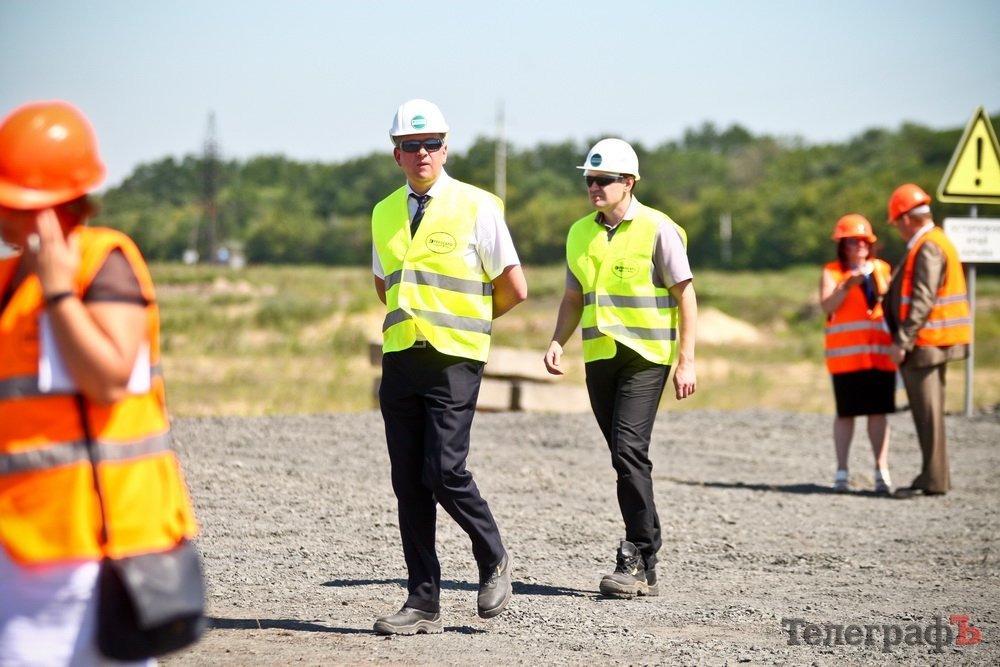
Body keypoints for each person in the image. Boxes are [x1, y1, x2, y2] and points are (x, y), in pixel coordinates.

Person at [0, 101, 199, 664]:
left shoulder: (104, 262)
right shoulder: (10, 278)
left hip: (97, 553)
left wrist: (61, 294)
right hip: (22, 542)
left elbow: (110, 377)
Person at [370, 99, 527, 634]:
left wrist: (472, 323)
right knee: (408, 484)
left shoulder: (478, 206)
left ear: (446, 147)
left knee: (443, 470)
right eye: (411, 146)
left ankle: (493, 557)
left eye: (432, 144)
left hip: (455, 359)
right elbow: (384, 284)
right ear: (397, 154)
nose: (422, 154)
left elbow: (514, 287)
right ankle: (422, 602)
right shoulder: (384, 211)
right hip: (402, 359)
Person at [543, 138, 697, 598]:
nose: (594, 187)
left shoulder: (658, 228)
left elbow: (685, 295)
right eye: (589, 179)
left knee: (629, 451)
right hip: (600, 357)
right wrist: (556, 340)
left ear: (628, 183)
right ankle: (646, 549)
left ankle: (638, 557)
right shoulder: (578, 233)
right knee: (623, 457)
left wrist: (686, 361)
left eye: (603, 180)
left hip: (646, 357)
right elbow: (574, 297)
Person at [883, 184, 971, 499]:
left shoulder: (929, 246)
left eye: (897, 224)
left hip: (926, 342)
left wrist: (903, 340)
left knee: (928, 413)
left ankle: (933, 479)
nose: (898, 231)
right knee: (928, 412)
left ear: (908, 218)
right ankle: (933, 476)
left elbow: (922, 298)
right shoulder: (931, 243)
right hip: (931, 340)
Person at [818, 214, 896, 494]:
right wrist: (846, 286)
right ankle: (841, 472)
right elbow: (827, 307)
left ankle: (881, 472)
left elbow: (892, 305)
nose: (860, 246)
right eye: (853, 241)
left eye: (865, 241)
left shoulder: (883, 269)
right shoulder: (833, 272)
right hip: (846, 359)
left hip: (880, 357)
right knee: (846, 414)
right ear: (842, 245)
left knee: (878, 413)